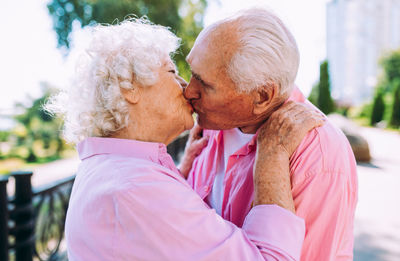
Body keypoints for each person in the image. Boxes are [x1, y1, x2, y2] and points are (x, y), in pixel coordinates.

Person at [45, 19, 324, 261]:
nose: (186, 88)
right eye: (171, 72)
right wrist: (272, 153)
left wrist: (177, 176)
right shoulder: (137, 189)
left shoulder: (116, 171)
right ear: (130, 88)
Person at [182, 8, 358, 261]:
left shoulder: (318, 157)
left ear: (262, 96)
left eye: (205, 84)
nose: (189, 91)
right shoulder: (212, 122)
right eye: (191, 73)